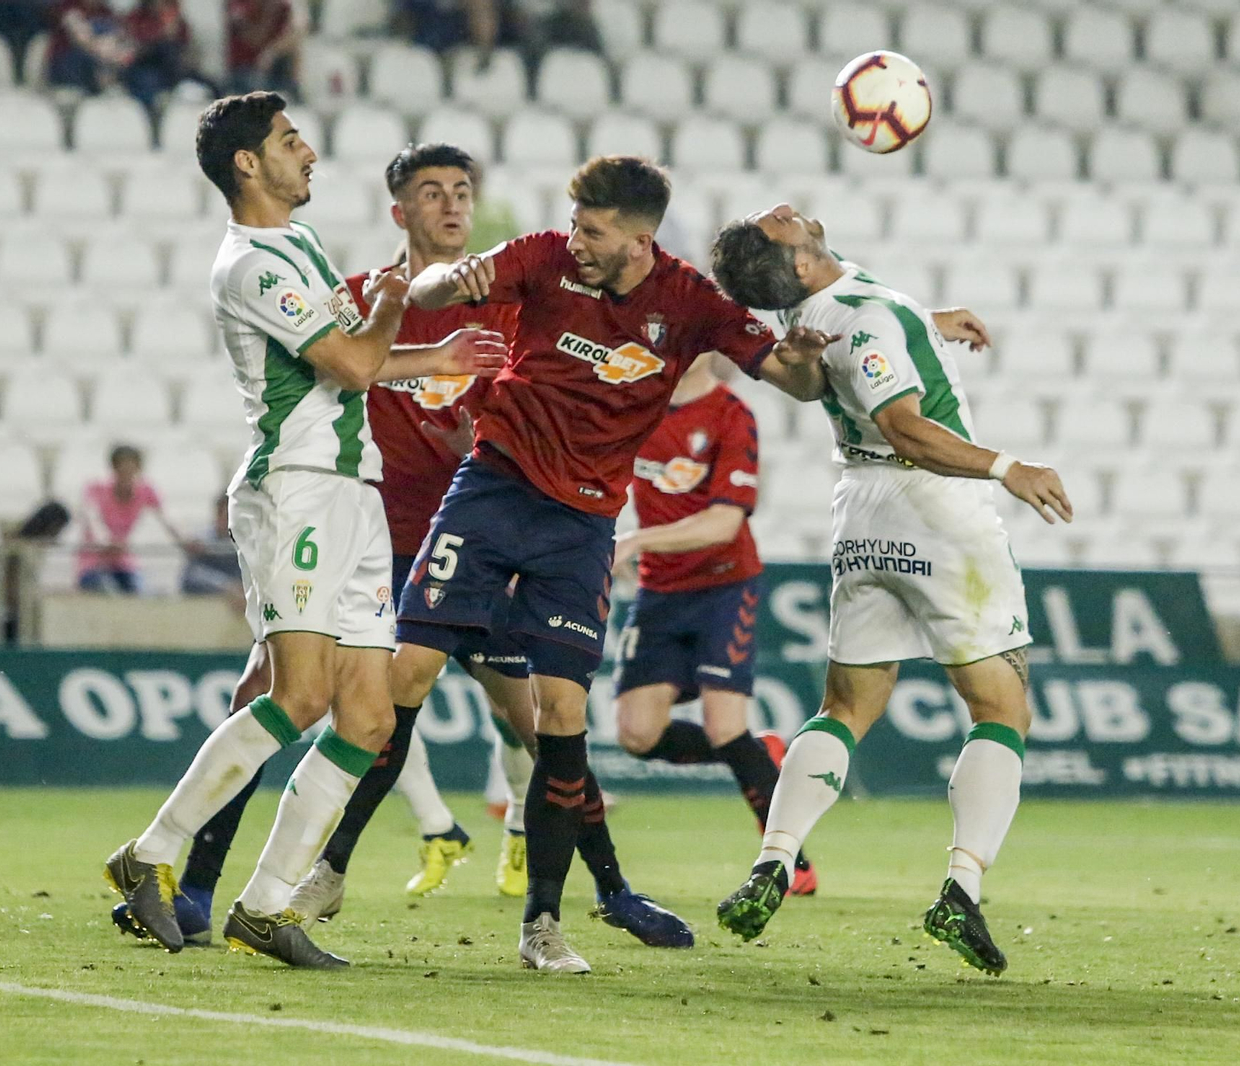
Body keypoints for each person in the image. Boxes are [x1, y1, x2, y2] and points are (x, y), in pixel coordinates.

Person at [385, 155, 837, 973]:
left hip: (619, 541)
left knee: (568, 716)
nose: (575, 240)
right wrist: (452, 279)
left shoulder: (692, 305)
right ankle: (310, 874)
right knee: (418, 681)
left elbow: (794, 384)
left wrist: (803, 358)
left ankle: (545, 921)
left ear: (638, 239)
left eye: (591, 230)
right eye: (575, 224)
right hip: (500, 494)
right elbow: (425, 293)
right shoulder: (542, 257)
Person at [101, 91, 504, 970]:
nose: (309, 152)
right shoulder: (251, 265)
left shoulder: (301, 244)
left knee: (369, 718)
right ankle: (149, 854)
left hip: (355, 492)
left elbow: (352, 366)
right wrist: (392, 305)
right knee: (299, 696)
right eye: (291, 141)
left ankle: (264, 907)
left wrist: (436, 358)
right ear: (248, 163)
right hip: (297, 491)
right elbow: (352, 362)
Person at [287, 146, 691, 935]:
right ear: (398, 210)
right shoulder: (364, 299)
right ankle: (294, 872)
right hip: (382, 541)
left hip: (489, 533)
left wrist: (491, 449)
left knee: (539, 726)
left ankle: (609, 888)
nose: (451, 206)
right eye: (432, 192)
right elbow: (323, 380)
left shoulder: (507, 300)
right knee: (363, 704)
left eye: (462, 192)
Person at [708, 204, 1073, 976]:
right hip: (934, 510)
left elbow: (854, 336)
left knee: (845, 707)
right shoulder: (871, 317)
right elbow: (904, 423)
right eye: (777, 224)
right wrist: (1009, 468)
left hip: (861, 516)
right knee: (1002, 709)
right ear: (797, 262)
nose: (784, 210)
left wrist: (926, 325)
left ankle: (774, 861)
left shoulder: (819, 310)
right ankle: (962, 888)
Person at [610, 352, 818, 897]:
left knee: (725, 725)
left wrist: (635, 541)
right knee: (637, 735)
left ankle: (790, 864)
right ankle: (758, 756)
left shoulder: (731, 415)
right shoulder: (635, 405)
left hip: (725, 585)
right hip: (660, 591)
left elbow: (725, 523)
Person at [76, 445, 190, 594]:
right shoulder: (96, 488)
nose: (127, 476)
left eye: (132, 471)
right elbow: (92, 518)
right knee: (108, 591)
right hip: (94, 564)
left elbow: (167, 517)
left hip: (123, 563)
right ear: (114, 469)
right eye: (122, 471)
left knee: (139, 591)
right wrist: (105, 541)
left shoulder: (146, 490)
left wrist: (186, 540)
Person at [46, 0, 134, 93]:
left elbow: (123, 43)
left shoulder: (105, 16)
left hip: (114, 72)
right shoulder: (70, 58)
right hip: (76, 83)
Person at [226, 0, 300, 96]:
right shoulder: (240, 4)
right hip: (244, 70)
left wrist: (271, 52)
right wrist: (270, 14)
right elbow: (252, 37)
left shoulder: (282, 6)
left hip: (274, 72)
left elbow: (295, 34)